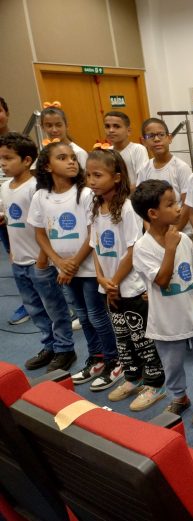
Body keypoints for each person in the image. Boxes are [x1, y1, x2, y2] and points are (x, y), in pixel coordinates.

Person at [29, 141, 120, 389]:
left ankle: (114, 360)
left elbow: (93, 233)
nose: (71, 161)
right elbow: (40, 234)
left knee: (96, 316)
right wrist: (59, 262)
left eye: (72, 157)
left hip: (89, 267)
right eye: (62, 157)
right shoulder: (41, 196)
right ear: (47, 166)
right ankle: (96, 358)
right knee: (81, 315)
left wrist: (74, 263)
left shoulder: (85, 193)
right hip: (65, 271)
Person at [131, 179, 193, 425]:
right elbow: (162, 280)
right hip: (166, 322)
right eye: (171, 204)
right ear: (153, 213)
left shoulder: (184, 239)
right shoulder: (142, 248)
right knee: (173, 364)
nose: (179, 208)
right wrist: (169, 249)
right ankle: (180, 396)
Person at [87, 146, 166, 411]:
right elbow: (96, 246)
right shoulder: (95, 207)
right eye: (89, 175)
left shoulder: (129, 208)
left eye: (98, 175)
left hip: (130, 287)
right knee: (122, 337)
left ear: (117, 177)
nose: (92, 181)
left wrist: (115, 281)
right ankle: (132, 377)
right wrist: (101, 278)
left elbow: (133, 250)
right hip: (109, 288)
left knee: (142, 337)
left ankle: (155, 383)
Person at [0, 132, 76, 371]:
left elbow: (44, 225)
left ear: (26, 160)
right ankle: (49, 345)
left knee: (54, 306)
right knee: (34, 307)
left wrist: (43, 260)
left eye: (8, 158)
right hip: (19, 259)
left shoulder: (36, 188)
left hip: (39, 261)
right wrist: (12, 250)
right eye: (1, 158)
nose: (2, 163)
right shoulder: (5, 187)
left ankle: (65, 349)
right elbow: (13, 221)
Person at [0, 95, 30, 325]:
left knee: (38, 263)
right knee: (16, 259)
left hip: (25, 212)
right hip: (5, 211)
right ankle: (28, 303)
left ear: (6, 113)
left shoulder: (20, 142)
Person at [135, 118, 192, 231]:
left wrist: (174, 231)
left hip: (180, 231)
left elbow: (187, 205)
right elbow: (143, 204)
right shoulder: (144, 169)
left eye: (161, 134)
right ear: (144, 141)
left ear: (169, 138)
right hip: (155, 232)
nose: (156, 139)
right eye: (151, 136)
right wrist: (151, 233)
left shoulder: (181, 167)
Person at [103, 111, 149, 191]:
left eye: (116, 126)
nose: (111, 130)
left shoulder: (138, 149)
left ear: (128, 131)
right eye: (107, 126)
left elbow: (143, 181)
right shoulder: (106, 153)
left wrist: (121, 194)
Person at [39, 101, 89, 168]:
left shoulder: (78, 153)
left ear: (66, 125)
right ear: (42, 127)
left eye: (58, 125)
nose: (54, 130)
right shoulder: (44, 152)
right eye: (49, 126)